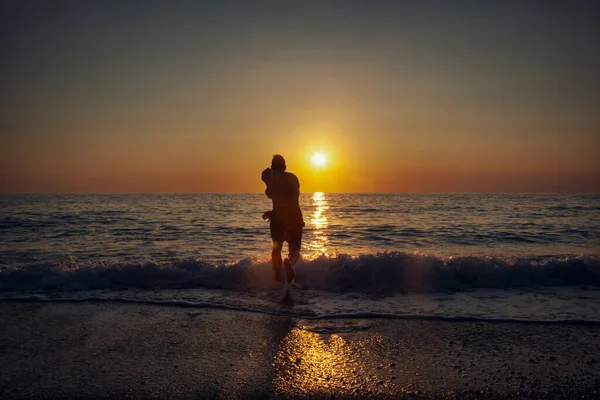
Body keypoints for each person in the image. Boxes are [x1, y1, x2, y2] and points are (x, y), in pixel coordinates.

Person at [261, 154, 304, 283]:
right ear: (285, 167)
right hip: (294, 218)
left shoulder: (270, 177)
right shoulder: (293, 178)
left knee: (276, 248)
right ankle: (290, 263)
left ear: (272, 167)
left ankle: (278, 276)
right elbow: (293, 198)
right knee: (294, 248)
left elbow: (266, 174)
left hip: (279, 218)